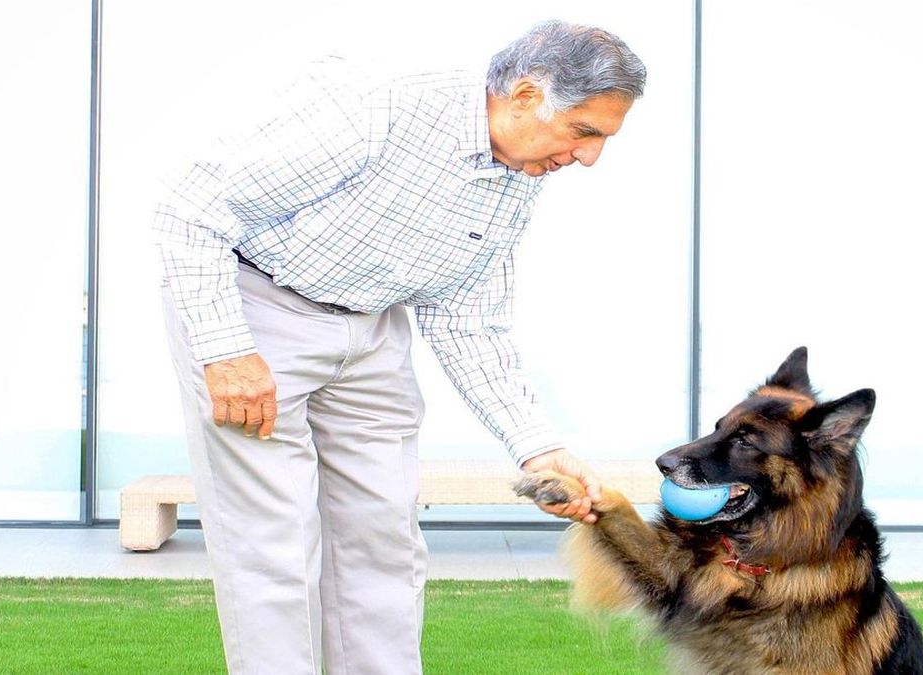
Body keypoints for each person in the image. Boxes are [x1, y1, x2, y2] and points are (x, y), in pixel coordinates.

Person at [153, 19, 646, 675]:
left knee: (384, 540)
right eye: (584, 132)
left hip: (373, 327)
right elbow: (191, 210)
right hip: (256, 309)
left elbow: (469, 319)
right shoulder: (377, 107)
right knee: (273, 544)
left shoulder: (520, 175)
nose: (588, 158)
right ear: (526, 95)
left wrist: (537, 445)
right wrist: (225, 349)